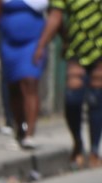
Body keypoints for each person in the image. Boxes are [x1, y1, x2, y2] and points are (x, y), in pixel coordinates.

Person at [0, 0, 52, 148]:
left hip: (33, 42)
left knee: (30, 83)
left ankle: (30, 133)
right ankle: (19, 128)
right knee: (14, 87)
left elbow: (54, 16)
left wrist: (42, 44)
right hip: (9, 45)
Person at [62, 0, 102, 165]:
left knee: (96, 100)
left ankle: (94, 150)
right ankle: (77, 142)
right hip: (75, 50)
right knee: (72, 100)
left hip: (99, 50)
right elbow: (56, 16)